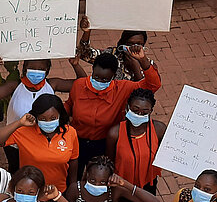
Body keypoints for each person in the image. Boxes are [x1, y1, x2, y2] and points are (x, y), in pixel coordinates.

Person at [64, 48, 161, 177]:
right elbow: (69, 105)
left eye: (105, 80)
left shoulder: (123, 88)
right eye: (96, 77)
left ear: (113, 76)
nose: (99, 82)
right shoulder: (79, 85)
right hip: (77, 140)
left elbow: (153, 85)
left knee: (97, 177)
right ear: (92, 72)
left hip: (103, 144)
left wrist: (143, 60)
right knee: (72, 175)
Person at [0, 54, 87, 173]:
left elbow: (81, 84)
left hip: (41, 141)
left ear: (47, 70)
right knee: (16, 170)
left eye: (41, 69)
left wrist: (76, 65)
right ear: (25, 69)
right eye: (32, 68)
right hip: (15, 143)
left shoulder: (52, 84)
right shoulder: (14, 86)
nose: (36, 72)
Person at [107, 89, 166, 202]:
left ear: (151, 111)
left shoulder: (159, 129)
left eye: (144, 111)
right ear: (127, 107)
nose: (139, 114)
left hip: (146, 188)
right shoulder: (115, 133)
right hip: (120, 189)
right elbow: (110, 161)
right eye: (135, 110)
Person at [0, 94, 79, 193]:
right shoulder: (24, 131)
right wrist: (19, 122)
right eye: (43, 119)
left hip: (58, 191)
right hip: (29, 192)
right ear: (36, 117)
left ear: (59, 115)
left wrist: (72, 184)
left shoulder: (70, 132)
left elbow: (73, 160)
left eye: (53, 118)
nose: (48, 122)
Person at [77, 16, 150, 81]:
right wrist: (86, 32)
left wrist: (136, 68)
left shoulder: (147, 65)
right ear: (123, 43)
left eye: (139, 44)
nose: (134, 47)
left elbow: (146, 90)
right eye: (130, 44)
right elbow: (85, 54)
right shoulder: (112, 54)